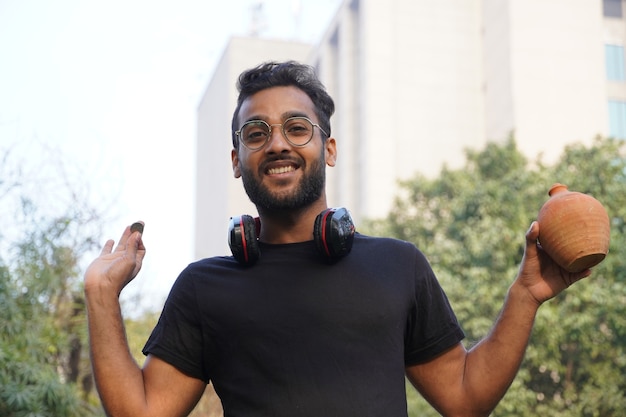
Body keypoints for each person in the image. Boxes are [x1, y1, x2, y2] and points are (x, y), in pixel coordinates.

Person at [84, 61, 590, 417]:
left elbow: (465, 398)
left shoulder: (399, 265)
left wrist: (525, 296)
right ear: (237, 161)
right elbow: (143, 411)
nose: (277, 142)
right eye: (255, 133)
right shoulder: (203, 286)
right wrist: (101, 297)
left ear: (327, 148)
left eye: (296, 128)